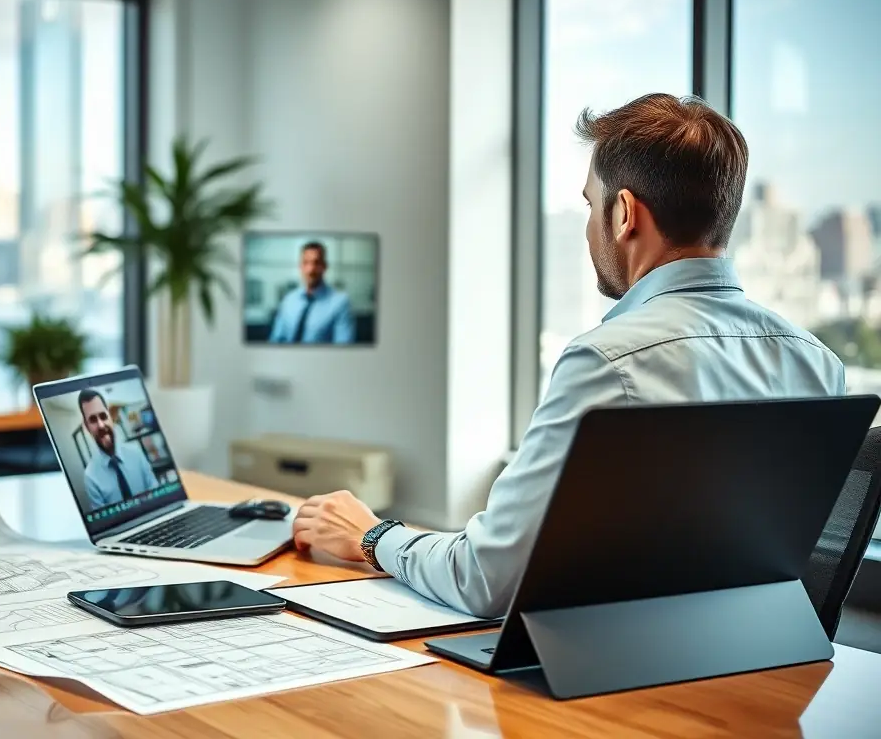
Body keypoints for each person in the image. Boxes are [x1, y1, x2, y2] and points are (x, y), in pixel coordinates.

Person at [290, 93, 846, 618]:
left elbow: (485, 579)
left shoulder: (608, 362)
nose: (587, 226)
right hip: (762, 671)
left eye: (589, 204)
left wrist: (373, 535)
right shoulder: (818, 363)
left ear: (624, 213)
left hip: (611, 672)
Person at [79, 389, 160, 511]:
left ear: (110, 417)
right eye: (93, 420)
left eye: (103, 416)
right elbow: (104, 519)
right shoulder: (90, 476)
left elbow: (155, 490)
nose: (101, 425)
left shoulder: (136, 452)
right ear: (87, 427)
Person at [268, 241, 356, 344]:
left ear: (324, 266)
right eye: (306, 263)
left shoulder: (340, 302)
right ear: (300, 266)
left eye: (316, 263)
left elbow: (344, 347)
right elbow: (275, 339)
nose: (311, 270)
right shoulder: (288, 300)